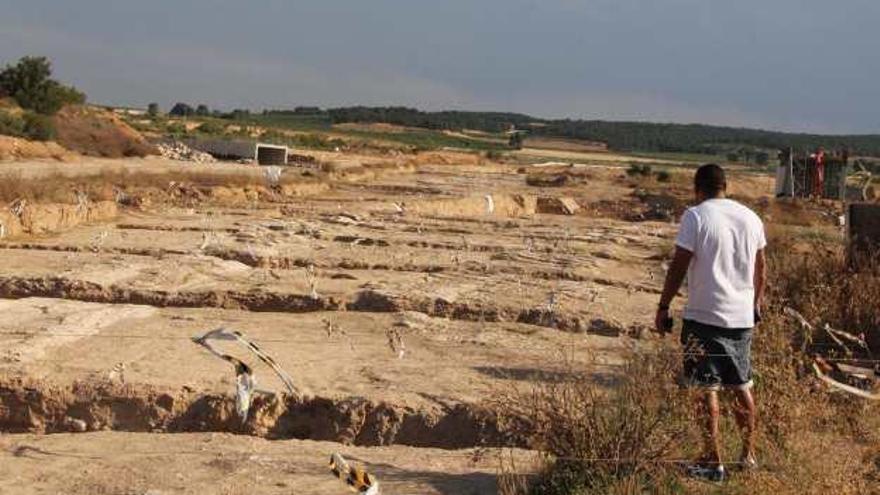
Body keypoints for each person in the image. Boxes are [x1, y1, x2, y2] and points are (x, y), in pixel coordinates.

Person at [654, 164, 766, 482]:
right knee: (741, 384)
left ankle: (711, 460)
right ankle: (747, 456)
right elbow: (762, 267)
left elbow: (679, 263)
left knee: (706, 389)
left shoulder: (696, 216)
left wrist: (663, 305)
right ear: (726, 186)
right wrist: (755, 303)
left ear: (697, 189)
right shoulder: (751, 218)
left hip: (704, 316)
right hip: (742, 317)